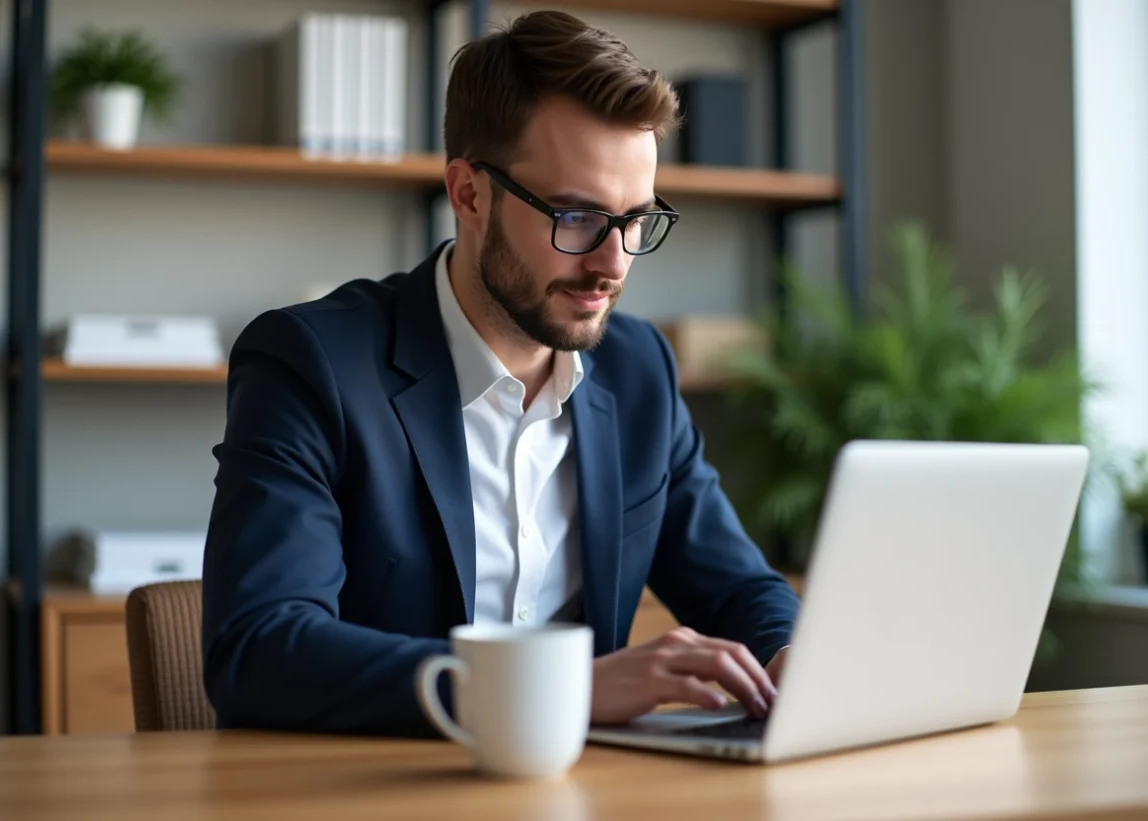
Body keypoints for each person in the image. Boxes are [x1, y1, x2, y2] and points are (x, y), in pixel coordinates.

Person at [200, 9, 800, 738]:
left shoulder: (639, 370)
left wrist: (790, 653)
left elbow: (738, 586)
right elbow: (260, 650)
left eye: (635, 219)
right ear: (469, 195)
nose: (613, 263)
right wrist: (558, 688)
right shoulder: (310, 363)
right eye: (576, 217)